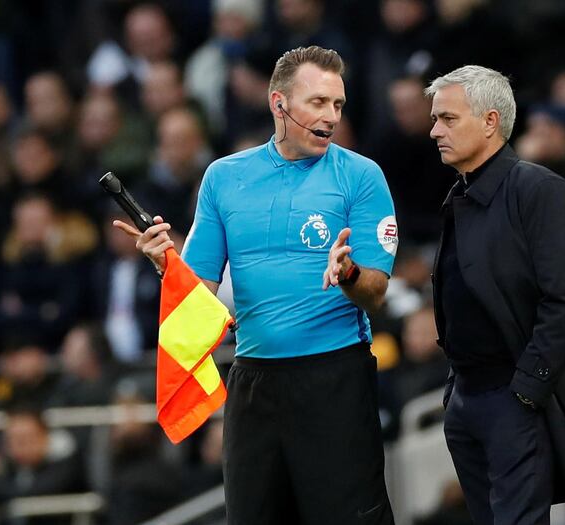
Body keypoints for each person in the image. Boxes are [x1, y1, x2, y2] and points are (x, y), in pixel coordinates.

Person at [114, 46, 396, 525]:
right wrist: (166, 264)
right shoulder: (224, 178)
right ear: (278, 103)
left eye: (339, 105)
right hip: (253, 381)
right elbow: (200, 289)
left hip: (335, 378)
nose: (331, 117)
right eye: (318, 103)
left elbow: (375, 290)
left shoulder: (362, 176)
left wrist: (346, 272)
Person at [424, 65, 565, 523]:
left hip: (513, 399)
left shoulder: (542, 191)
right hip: (468, 399)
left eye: (448, 119)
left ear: (491, 122)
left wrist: (526, 390)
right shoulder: (460, 194)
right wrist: (456, 391)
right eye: (435, 119)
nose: (434, 131)